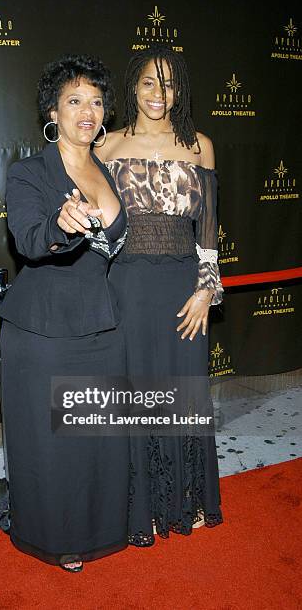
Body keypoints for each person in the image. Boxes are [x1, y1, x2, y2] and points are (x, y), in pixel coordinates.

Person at [0, 54, 129, 572]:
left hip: (101, 322)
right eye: (74, 101)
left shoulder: (106, 170)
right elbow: (29, 239)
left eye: (96, 102)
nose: (87, 112)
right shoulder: (29, 171)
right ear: (53, 109)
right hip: (44, 328)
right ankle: (55, 537)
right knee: (51, 445)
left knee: (95, 436)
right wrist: (61, 222)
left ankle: (101, 527)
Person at [95, 46, 223, 546]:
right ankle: (140, 506)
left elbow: (209, 232)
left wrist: (205, 292)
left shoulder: (200, 147)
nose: (157, 94)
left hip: (181, 288)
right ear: (133, 86)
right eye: (148, 82)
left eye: (168, 84)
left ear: (180, 91)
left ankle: (185, 499)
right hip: (125, 284)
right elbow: (93, 222)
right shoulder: (107, 145)